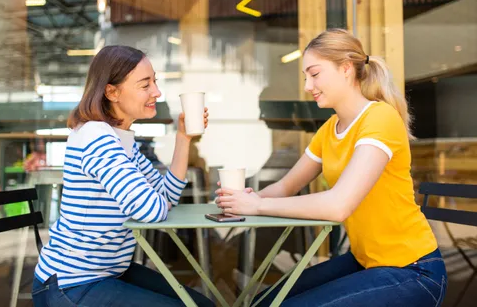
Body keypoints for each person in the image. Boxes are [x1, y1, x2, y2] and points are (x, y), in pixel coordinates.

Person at [216, 29, 447, 307]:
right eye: (305, 77)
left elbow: (339, 205)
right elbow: (286, 187)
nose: (307, 86)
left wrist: (256, 207)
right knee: (266, 301)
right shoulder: (329, 129)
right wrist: (242, 200)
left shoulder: (380, 118)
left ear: (346, 69)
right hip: (366, 262)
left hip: (414, 270)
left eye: (314, 74)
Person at [32, 45, 214, 307]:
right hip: (71, 283)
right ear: (112, 91)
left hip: (108, 272)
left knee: (202, 305)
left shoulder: (122, 140)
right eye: (145, 85)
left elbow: (165, 196)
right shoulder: (96, 135)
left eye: (155, 82)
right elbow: (151, 209)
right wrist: (153, 202)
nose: (157, 92)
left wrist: (184, 138)